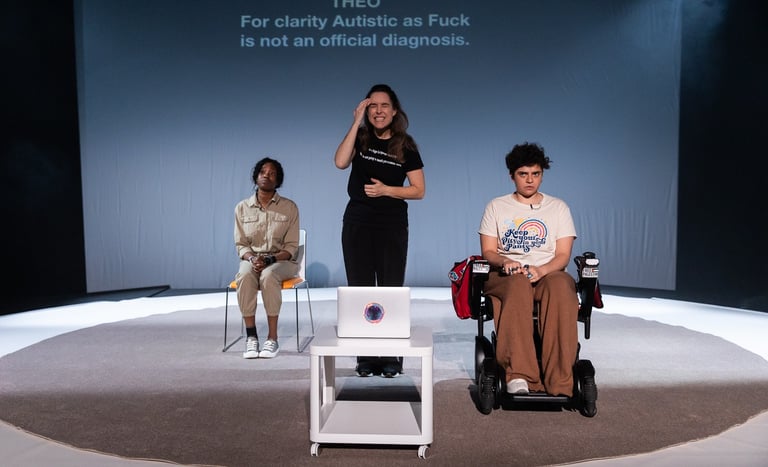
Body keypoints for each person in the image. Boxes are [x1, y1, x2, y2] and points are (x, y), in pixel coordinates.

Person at [334, 84, 426, 378]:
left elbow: (419, 190)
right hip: (358, 222)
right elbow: (339, 162)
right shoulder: (359, 138)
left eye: (384, 105)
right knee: (360, 289)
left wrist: (387, 190)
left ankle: (390, 356)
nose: (378, 111)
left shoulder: (405, 145)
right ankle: (365, 356)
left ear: (395, 110)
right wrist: (355, 121)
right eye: (372, 106)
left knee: (389, 289)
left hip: (391, 225)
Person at [478, 142, 579, 396]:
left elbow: (564, 255)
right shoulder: (496, 206)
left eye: (536, 174)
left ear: (542, 174)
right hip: (506, 273)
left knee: (560, 285)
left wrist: (542, 270)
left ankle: (559, 379)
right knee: (518, 283)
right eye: (523, 174)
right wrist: (505, 262)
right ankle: (519, 374)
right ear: (512, 175)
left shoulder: (558, 208)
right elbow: (488, 251)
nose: (530, 180)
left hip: (547, 271)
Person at [234, 157, 300, 359]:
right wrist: (253, 259)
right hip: (252, 260)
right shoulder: (242, 208)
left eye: (272, 173)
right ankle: (251, 337)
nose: (266, 176)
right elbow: (241, 244)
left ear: (278, 180)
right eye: (263, 172)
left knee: (268, 276)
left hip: (282, 262)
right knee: (244, 275)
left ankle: (272, 338)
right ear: (256, 177)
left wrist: (270, 260)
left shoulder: (289, 208)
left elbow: (291, 247)